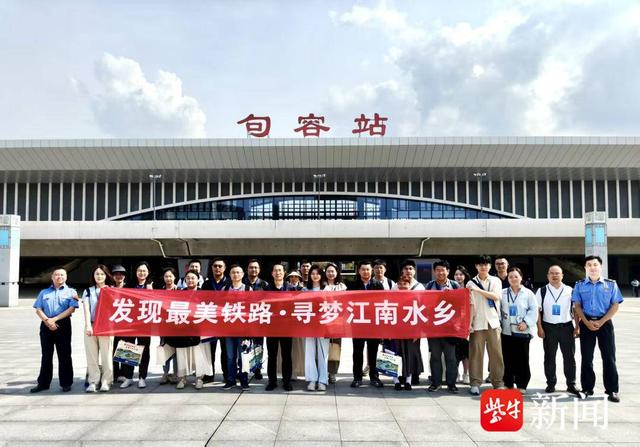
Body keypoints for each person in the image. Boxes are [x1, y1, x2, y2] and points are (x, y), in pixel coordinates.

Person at [572, 255, 623, 403]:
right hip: (586, 323)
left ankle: (612, 390)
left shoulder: (611, 284)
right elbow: (577, 306)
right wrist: (585, 322)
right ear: (585, 268)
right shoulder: (579, 285)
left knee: (609, 357)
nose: (592, 267)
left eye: (595, 265)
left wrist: (601, 321)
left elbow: (615, 305)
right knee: (587, 358)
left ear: (600, 267)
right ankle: (587, 388)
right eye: (589, 265)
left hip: (605, 323)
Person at [31, 268, 79, 393]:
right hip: (46, 325)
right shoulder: (44, 292)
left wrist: (55, 319)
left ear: (66, 277)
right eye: (57, 274)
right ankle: (43, 383)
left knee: (64, 355)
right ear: (52, 277)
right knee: (46, 355)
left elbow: (72, 309)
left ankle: (66, 383)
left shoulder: (71, 292)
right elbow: (38, 309)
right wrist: (47, 320)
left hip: (63, 324)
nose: (59, 277)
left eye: (62, 275)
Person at [536, 265, 580, 396]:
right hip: (548, 328)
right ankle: (551, 383)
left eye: (557, 273)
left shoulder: (570, 290)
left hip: (566, 327)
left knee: (569, 357)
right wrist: (539, 328)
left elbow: (575, 310)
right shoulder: (542, 291)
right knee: (549, 357)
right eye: (552, 273)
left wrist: (577, 327)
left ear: (562, 275)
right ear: (548, 276)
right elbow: (537, 311)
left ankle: (571, 384)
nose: (554, 276)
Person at [168, 269, 213, 390]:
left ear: (198, 279)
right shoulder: (179, 293)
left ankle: (199, 378)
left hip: (199, 330)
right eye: (188, 278)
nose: (190, 280)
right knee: (182, 354)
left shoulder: (204, 293)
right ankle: (182, 378)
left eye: (193, 278)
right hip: (183, 329)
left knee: (199, 354)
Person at [467, 255, 504, 395]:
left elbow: (496, 296)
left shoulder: (495, 280)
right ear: (476, 266)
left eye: (486, 264)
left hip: (493, 322)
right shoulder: (470, 283)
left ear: (490, 266)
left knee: (496, 354)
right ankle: (475, 383)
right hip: (477, 323)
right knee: (476, 354)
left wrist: (477, 290)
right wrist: (469, 324)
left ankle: (498, 382)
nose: (483, 267)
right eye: (480, 264)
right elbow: (470, 305)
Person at [500, 267, 538, 394]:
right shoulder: (503, 293)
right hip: (506, 330)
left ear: (521, 277)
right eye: (510, 277)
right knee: (507, 358)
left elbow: (533, 310)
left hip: (522, 330)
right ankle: (508, 383)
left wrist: (526, 323)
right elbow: (498, 309)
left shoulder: (528, 293)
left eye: (516, 276)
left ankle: (522, 384)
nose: (513, 279)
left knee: (522, 358)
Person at [424, 260, 460, 393]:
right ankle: (436, 383)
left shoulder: (455, 285)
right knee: (435, 357)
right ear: (434, 272)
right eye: (438, 270)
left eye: (443, 270)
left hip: (450, 329)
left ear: (448, 271)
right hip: (434, 329)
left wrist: (452, 295)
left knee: (451, 358)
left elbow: (461, 305)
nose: (440, 273)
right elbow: (424, 305)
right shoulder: (429, 286)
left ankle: (451, 384)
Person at [350, 260, 384, 388]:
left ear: (372, 271)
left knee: (373, 351)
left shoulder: (378, 285)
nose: (365, 272)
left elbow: (382, 303)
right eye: (363, 269)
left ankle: (374, 377)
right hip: (358, 323)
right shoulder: (352, 285)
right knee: (357, 352)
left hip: (373, 324)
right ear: (359, 271)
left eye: (368, 269)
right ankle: (357, 378)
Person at [120, 261, 154, 389]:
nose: (142, 273)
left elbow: (157, 303)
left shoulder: (151, 285)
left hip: (145, 322)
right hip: (130, 322)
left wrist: (151, 292)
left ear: (148, 272)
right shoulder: (128, 285)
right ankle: (128, 377)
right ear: (135, 272)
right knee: (128, 348)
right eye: (139, 270)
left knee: (144, 349)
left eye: (144, 271)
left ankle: (142, 377)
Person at [385, 276, 423, 391]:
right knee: (393, 355)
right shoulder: (391, 298)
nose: (402, 286)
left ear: (409, 285)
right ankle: (396, 381)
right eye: (400, 284)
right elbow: (386, 316)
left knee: (408, 356)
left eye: (405, 284)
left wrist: (418, 332)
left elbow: (419, 316)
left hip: (410, 332)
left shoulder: (415, 298)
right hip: (394, 332)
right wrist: (387, 332)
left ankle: (408, 381)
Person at [82, 264, 114, 392]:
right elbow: (86, 309)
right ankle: (93, 381)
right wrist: (88, 325)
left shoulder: (112, 290)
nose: (99, 276)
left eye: (102, 274)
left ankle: (106, 381)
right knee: (91, 356)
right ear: (93, 276)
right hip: (91, 325)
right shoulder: (88, 291)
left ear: (106, 276)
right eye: (97, 274)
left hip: (106, 327)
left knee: (107, 355)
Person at [201, 257, 230, 383]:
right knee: (210, 350)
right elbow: (201, 301)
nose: (217, 268)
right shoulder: (206, 284)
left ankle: (227, 374)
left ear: (224, 268)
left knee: (226, 350)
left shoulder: (229, 283)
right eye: (215, 266)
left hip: (225, 322)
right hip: (210, 321)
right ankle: (209, 374)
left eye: (220, 266)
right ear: (211, 268)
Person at [223, 265, 252, 390]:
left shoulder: (248, 289)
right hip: (229, 328)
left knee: (243, 355)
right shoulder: (225, 289)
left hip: (243, 329)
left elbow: (252, 307)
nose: (235, 275)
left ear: (243, 274)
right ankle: (231, 379)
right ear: (229, 275)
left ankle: (244, 379)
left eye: (238, 272)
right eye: (233, 272)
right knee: (230, 356)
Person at [266, 263, 293, 391]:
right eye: (275, 270)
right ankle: (272, 381)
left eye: (280, 270)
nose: (278, 273)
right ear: (272, 273)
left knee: (286, 356)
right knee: (272, 356)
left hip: (287, 327)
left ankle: (286, 381)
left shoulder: (291, 288)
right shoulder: (267, 289)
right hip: (271, 328)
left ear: (284, 273)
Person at [304, 264, 329, 391]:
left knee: (323, 352)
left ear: (321, 275)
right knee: (309, 352)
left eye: (317, 273)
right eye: (312, 273)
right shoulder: (305, 290)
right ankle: (312, 379)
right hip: (309, 325)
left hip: (323, 324)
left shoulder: (327, 289)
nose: (315, 276)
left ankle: (322, 380)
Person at [244, 259, 269, 379]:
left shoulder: (264, 284)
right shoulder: (242, 283)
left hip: (259, 320)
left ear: (259, 270)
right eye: (251, 267)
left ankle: (257, 369)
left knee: (258, 345)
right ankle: (243, 369)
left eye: (256, 267)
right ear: (247, 269)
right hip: (244, 319)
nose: (253, 269)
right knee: (245, 345)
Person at [324, 262, 347, 384]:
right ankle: (322, 372)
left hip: (337, 323)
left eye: (333, 271)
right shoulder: (321, 285)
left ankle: (332, 373)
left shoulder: (342, 287)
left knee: (335, 348)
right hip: (323, 322)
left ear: (337, 273)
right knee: (322, 348)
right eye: (328, 271)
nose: (330, 273)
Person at [159, 267, 178, 385]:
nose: (168, 278)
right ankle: (165, 373)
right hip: (163, 326)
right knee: (164, 350)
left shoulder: (180, 290)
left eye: (170, 276)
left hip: (176, 325)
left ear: (174, 277)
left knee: (176, 351)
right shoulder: (159, 291)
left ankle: (176, 374)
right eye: (166, 276)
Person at [110, 264, 128, 384]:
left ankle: (125, 373)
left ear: (124, 276)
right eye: (116, 274)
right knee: (113, 347)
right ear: (113, 276)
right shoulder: (108, 289)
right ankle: (115, 373)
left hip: (127, 323)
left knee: (126, 347)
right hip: (113, 323)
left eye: (121, 274)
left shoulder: (130, 288)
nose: (119, 276)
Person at [454, 266, 471, 384]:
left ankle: (466, 373)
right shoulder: (451, 287)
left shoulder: (469, 288)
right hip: (453, 324)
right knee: (454, 351)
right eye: (456, 274)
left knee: (466, 351)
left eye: (461, 274)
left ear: (465, 276)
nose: (458, 277)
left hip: (466, 323)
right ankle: (456, 373)